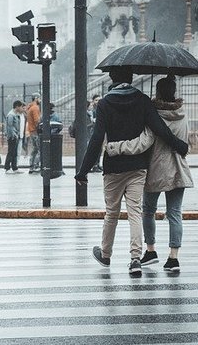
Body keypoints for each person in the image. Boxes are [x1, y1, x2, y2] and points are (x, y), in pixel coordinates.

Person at [74, 67, 189, 276]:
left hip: (113, 167)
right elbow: (159, 128)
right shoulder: (143, 100)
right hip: (138, 167)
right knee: (135, 212)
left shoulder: (105, 103)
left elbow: (96, 139)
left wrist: (83, 171)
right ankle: (135, 259)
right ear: (132, 77)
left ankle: (106, 254)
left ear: (112, 78)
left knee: (112, 213)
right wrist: (179, 145)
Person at [105, 76, 194, 272]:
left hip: (156, 168)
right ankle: (173, 257)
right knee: (175, 214)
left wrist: (116, 147)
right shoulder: (183, 113)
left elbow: (146, 141)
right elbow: (185, 140)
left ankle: (151, 250)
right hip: (179, 168)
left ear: (158, 92)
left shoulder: (154, 114)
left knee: (147, 211)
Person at [4, 100, 24, 174]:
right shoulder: (11, 115)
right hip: (12, 137)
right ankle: (7, 168)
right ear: (17, 107)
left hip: (16, 136)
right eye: (21, 106)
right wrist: (13, 135)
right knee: (11, 152)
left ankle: (14, 167)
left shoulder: (15, 114)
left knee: (15, 153)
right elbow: (10, 127)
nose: (22, 108)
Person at [27, 93, 41, 174]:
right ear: (36, 98)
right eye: (39, 98)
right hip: (36, 132)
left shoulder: (30, 107)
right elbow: (37, 121)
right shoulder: (35, 108)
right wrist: (40, 129)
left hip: (31, 131)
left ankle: (31, 166)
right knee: (39, 150)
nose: (40, 100)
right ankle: (36, 166)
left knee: (34, 150)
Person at [91, 94, 103, 172]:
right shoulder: (92, 111)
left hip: (100, 131)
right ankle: (95, 165)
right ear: (93, 101)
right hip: (94, 131)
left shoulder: (101, 108)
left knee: (100, 149)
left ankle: (98, 164)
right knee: (95, 149)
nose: (98, 102)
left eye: (99, 100)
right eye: (96, 100)